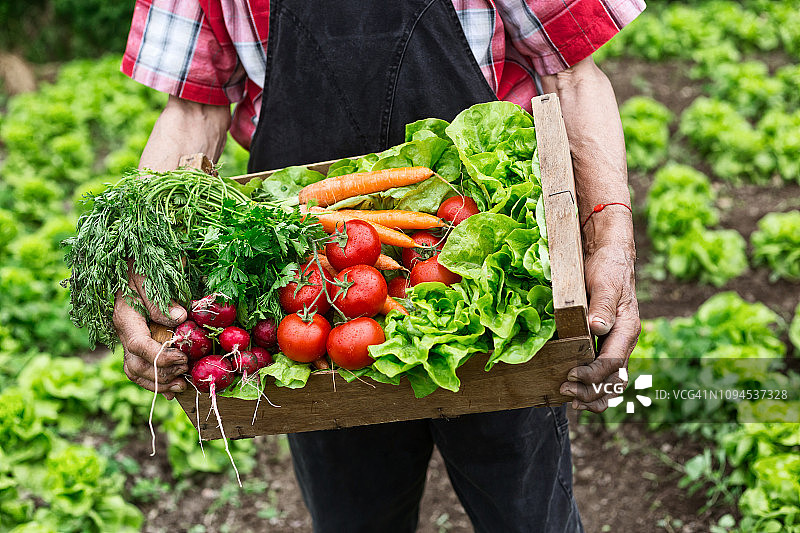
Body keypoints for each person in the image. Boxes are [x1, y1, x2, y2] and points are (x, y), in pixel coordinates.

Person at [115, 1, 644, 531]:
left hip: (478, 264)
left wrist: (610, 236)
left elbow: (569, 72)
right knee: (354, 516)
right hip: (313, 291)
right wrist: (139, 258)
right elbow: (193, 109)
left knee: (527, 515)